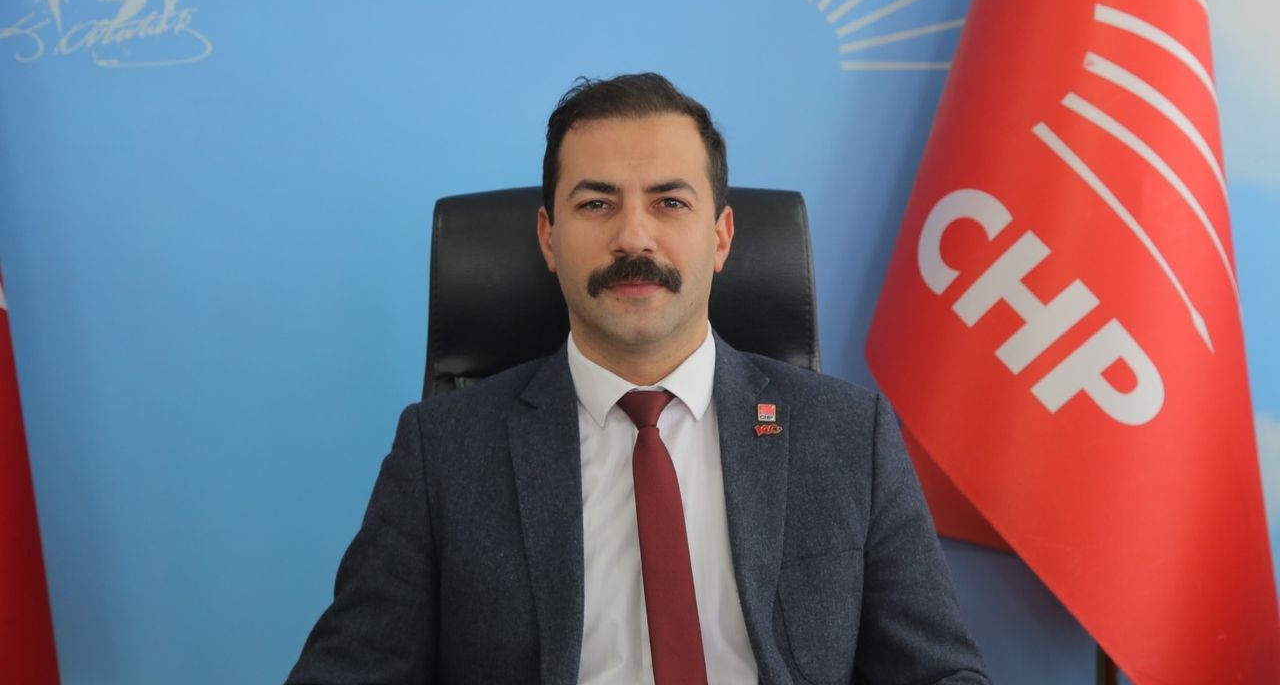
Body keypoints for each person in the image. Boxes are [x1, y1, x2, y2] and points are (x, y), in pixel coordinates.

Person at [286, 73, 990, 684]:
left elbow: (942, 675)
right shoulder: (443, 453)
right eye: (596, 203)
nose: (633, 237)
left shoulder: (849, 437)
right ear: (548, 237)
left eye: (669, 202)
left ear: (721, 236)